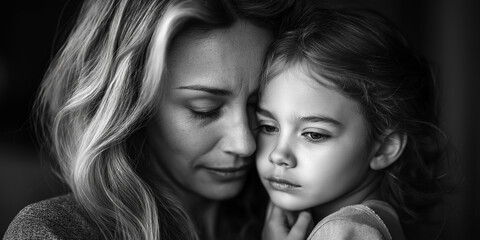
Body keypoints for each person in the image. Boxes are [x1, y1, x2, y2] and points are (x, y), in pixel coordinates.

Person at [3, 0, 295, 239]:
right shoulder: (54, 232)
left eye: (259, 108)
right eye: (204, 109)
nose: (245, 144)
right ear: (133, 105)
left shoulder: (302, 218)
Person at [256, 6, 450, 240]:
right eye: (268, 127)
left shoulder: (343, 232)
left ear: (384, 147)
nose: (278, 155)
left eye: (314, 134)